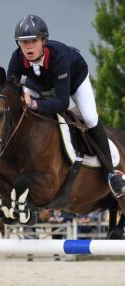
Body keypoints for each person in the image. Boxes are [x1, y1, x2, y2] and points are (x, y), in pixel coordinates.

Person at [7, 14, 125, 198]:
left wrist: (36, 104)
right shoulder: (16, 58)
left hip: (74, 79)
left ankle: (110, 173)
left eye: (33, 41)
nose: (28, 46)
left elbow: (63, 102)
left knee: (90, 117)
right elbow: (10, 91)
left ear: (44, 41)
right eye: (23, 42)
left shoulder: (59, 55)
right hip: (41, 82)